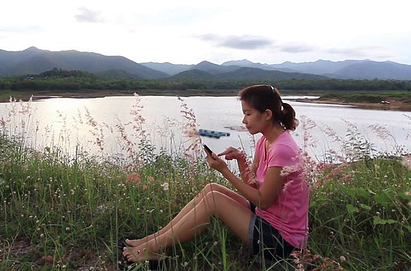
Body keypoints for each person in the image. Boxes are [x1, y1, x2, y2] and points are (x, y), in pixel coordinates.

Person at [122, 84, 310, 266]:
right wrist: (241, 160)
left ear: (267, 114)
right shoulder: (265, 141)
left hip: (283, 242)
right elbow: (253, 185)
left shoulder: (282, 149)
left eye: (248, 114)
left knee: (214, 200)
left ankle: (152, 247)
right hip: (265, 219)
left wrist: (224, 171)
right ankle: (154, 240)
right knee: (211, 189)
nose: (244, 120)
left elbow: (263, 201)